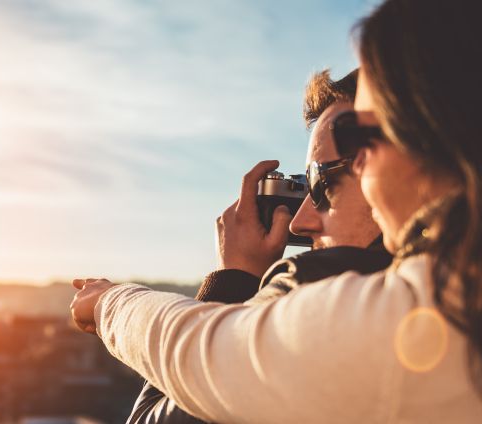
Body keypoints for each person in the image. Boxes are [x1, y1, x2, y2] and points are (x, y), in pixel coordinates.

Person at [69, 0, 482, 422]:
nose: (300, 221)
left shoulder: (441, 316)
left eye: (352, 152)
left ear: (444, 142)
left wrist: (118, 299)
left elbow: (203, 353)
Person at [127, 69, 391, 423]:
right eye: (306, 186)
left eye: (323, 184)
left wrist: (234, 279)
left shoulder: (321, 330)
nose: (299, 222)